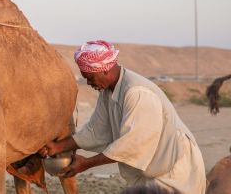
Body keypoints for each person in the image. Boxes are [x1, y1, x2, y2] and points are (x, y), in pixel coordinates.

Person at [39, 40, 206, 194]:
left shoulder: (136, 92)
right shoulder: (108, 91)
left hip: (174, 167)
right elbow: (95, 131)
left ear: (104, 69)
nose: (89, 83)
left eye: (90, 77)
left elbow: (131, 145)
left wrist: (86, 164)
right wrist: (58, 147)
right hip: (152, 169)